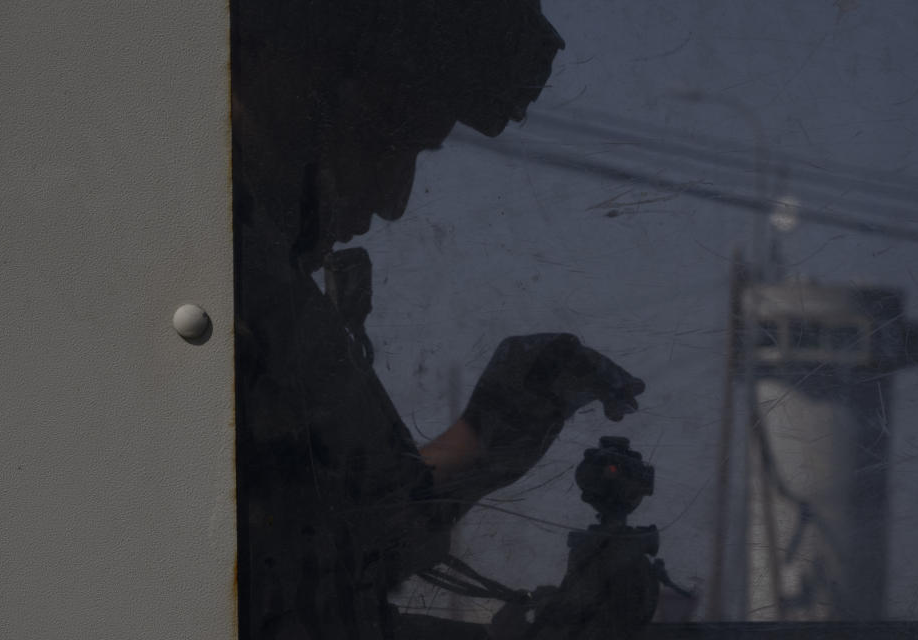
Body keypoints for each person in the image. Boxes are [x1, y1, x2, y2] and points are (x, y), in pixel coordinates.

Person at [232, 1, 645, 637]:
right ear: (290, 78)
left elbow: (352, 556)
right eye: (385, 140)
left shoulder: (259, 285)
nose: (394, 200)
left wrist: (494, 424)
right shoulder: (231, 286)